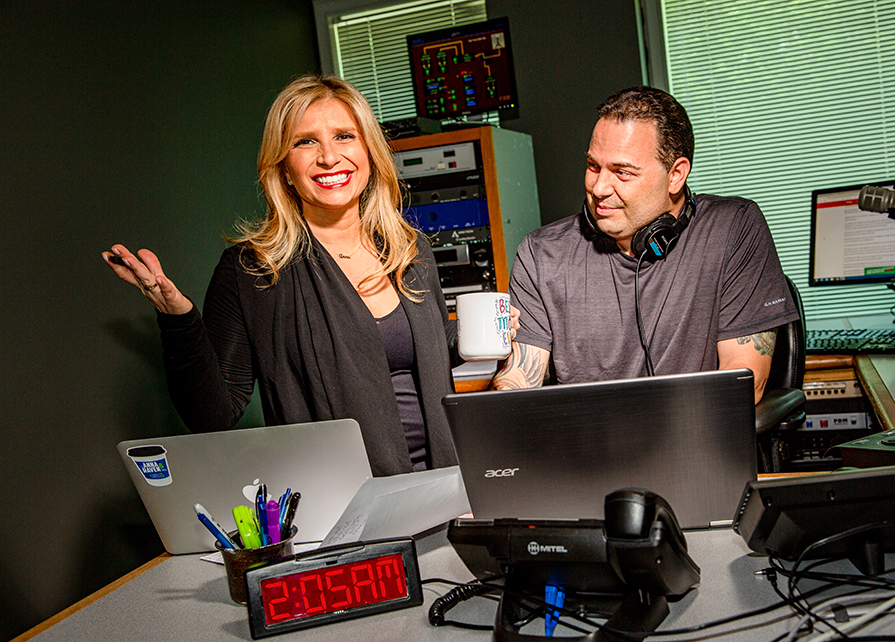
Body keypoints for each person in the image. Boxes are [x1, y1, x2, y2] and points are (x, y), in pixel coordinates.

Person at [104, 75, 486, 476]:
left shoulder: (409, 249)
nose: (329, 157)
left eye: (344, 136)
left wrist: (476, 336)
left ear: (369, 151)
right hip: (345, 508)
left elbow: (403, 350)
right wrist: (178, 319)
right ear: (283, 166)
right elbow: (213, 415)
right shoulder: (253, 270)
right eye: (305, 142)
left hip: (444, 487)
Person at [491, 86, 798, 403]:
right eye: (593, 166)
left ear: (676, 175)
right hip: (585, 446)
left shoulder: (733, 227)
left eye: (622, 172)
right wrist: (499, 402)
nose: (598, 187)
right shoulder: (542, 253)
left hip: (693, 442)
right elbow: (519, 377)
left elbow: (744, 384)